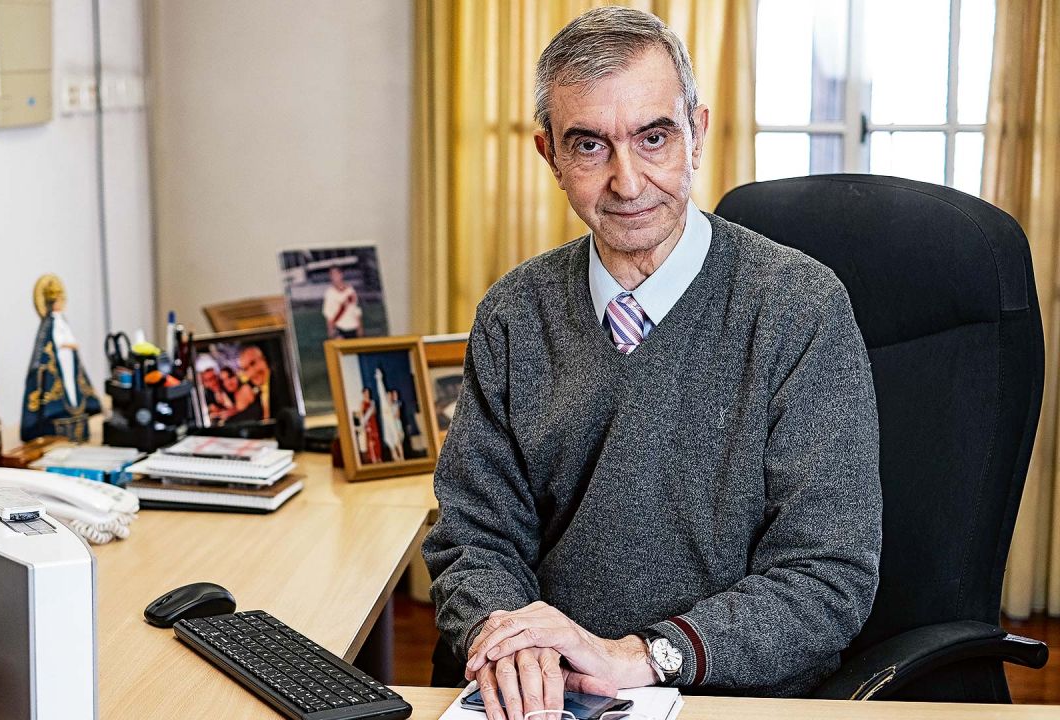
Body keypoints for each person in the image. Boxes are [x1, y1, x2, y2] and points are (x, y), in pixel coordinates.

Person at [422, 7, 882, 716]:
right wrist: (506, 634)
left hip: (734, 698)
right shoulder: (514, 314)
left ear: (695, 134)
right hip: (554, 698)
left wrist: (638, 656)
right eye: (589, 147)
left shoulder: (800, 307)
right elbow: (473, 537)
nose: (628, 182)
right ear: (550, 157)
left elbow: (827, 577)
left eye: (654, 137)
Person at [21, 274, 102, 441]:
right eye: (58, 300)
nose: (61, 303)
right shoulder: (51, 323)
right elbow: (57, 342)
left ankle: (74, 408)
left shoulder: (62, 320)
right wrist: (71, 346)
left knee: (72, 387)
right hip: (58, 361)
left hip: (68, 361)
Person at [323, 266, 364, 338]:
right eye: (332, 275)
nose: (334, 277)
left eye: (336, 274)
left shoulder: (350, 290)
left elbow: (356, 310)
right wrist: (330, 329)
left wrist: (360, 327)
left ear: (341, 274)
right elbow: (328, 313)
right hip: (339, 328)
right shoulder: (329, 293)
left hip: (353, 326)